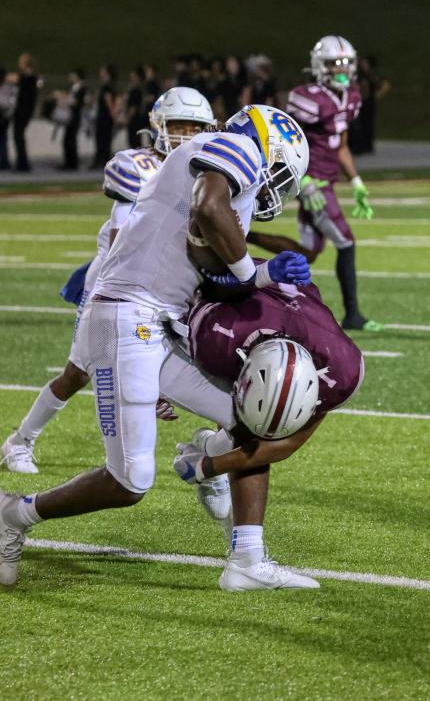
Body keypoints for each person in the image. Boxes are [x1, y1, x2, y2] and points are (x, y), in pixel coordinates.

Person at [0, 104, 312, 593]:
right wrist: (252, 272)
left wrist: (263, 274)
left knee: (255, 418)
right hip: (128, 317)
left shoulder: (219, 174)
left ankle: (246, 558)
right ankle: (13, 514)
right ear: (269, 149)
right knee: (130, 481)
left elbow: (206, 262)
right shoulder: (234, 148)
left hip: (158, 323)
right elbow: (209, 208)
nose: (277, 188)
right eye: (282, 174)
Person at [1, 88, 216, 475]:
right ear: (158, 126)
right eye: (179, 125)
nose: (186, 135)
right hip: (116, 280)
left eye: (194, 127)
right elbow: (121, 240)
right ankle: (20, 441)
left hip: (168, 283)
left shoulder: (205, 172)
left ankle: (213, 455)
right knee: (78, 373)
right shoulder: (137, 166)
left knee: (205, 356)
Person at [156, 276, 365, 575]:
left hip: (290, 317)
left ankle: (211, 450)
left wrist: (206, 466)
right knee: (239, 420)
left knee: (259, 426)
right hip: (216, 298)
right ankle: (246, 556)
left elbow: (285, 445)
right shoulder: (214, 334)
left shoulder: (342, 373)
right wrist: (146, 387)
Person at [247, 35, 381, 332]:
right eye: (335, 64)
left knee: (308, 252)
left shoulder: (352, 96)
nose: (342, 69)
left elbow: (341, 145)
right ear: (320, 66)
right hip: (312, 183)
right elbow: (283, 140)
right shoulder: (307, 98)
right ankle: (353, 314)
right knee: (346, 242)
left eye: (346, 63)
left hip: (327, 181)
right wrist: (303, 180)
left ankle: (245, 234)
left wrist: (356, 181)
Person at [349, 54, 390, 155]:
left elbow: (383, 84)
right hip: (358, 102)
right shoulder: (359, 74)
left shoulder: (371, 74)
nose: (363, 64)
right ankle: (357, 145)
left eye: (365, 62)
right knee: (357, 124)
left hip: (368, 102)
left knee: (367, 124)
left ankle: (366, 146)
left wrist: (376, 96)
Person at [13, 53, 39, 173]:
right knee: (18, 137)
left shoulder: (29, 77)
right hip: (23, 111)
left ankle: (23, 163)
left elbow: (15, 78)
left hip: (23, 111)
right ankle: (22, 162)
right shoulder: (28, 77)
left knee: (18, 136)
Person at [91, 63, 118, 168]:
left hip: (104, 117)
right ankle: (101, 159)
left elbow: (109, 101)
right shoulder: (108, 85)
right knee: (103, 139)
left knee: (103, 139)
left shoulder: (107, 86)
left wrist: (113, 115)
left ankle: (102, 160)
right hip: (104, 116)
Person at [61, 69, 87, 170]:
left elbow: (76, 102)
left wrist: (65, 98)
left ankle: (72, 163)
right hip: (71, 115)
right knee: (68, 139)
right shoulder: (74, 87)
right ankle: (69, 162)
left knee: (71, 139)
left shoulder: (80, 88)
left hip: (74, 116)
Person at [0, 67, 18, 170]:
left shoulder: (9, 86)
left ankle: (4, 160)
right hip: (5, 114)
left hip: (4, 114)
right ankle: (4, 160)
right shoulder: (10, 86)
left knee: (3, 138)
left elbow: (12, 101)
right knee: (3, 138)